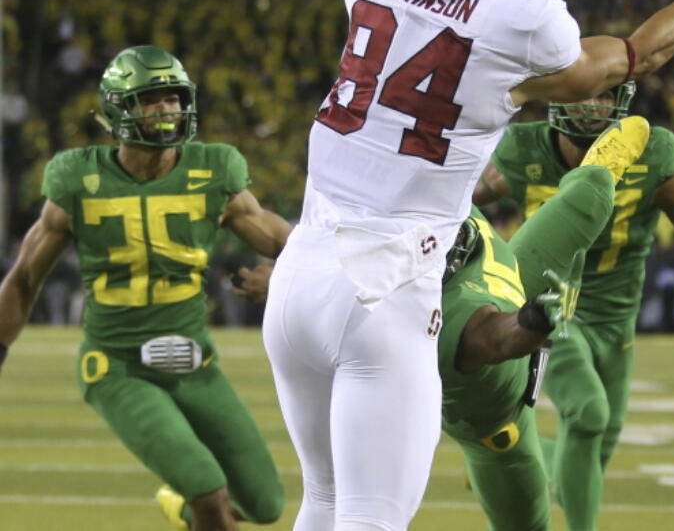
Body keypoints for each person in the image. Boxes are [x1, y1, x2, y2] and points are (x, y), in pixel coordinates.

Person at [262, 0, 674, 531]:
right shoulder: (524, 28)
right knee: (369, 518)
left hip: (299, 279)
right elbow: (636, 56)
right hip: (384, 297)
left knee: (322, 503)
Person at [237, 116, 651, 531]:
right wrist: (538, 317)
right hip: (495, 422)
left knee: (588, 198)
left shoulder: (425, 206)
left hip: (512, 273)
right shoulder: (426, 311)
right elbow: (498, 340)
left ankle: (600, 170)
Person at [0, 45, 289, 531]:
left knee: (264, 504)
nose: (167, 109)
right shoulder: (80, 178)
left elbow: (286, 243)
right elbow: (26, 277)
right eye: (151, 99)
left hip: (195, 362)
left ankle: (182, 508)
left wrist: (283, 277)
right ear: (118, 108)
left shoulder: (214, 171)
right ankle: (197, 503)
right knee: (209, 491)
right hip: (117, 366)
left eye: (174, 98)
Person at [474, 81, 674, 531]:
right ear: (559, 94)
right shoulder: (526, 150)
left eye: (606, 95)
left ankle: (507, 448)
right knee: (589, 410)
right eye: (587, 92)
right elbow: (451, 206)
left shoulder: (652, 153)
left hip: (618, 323)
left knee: (589, 459)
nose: (595, 105)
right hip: (552, 308)